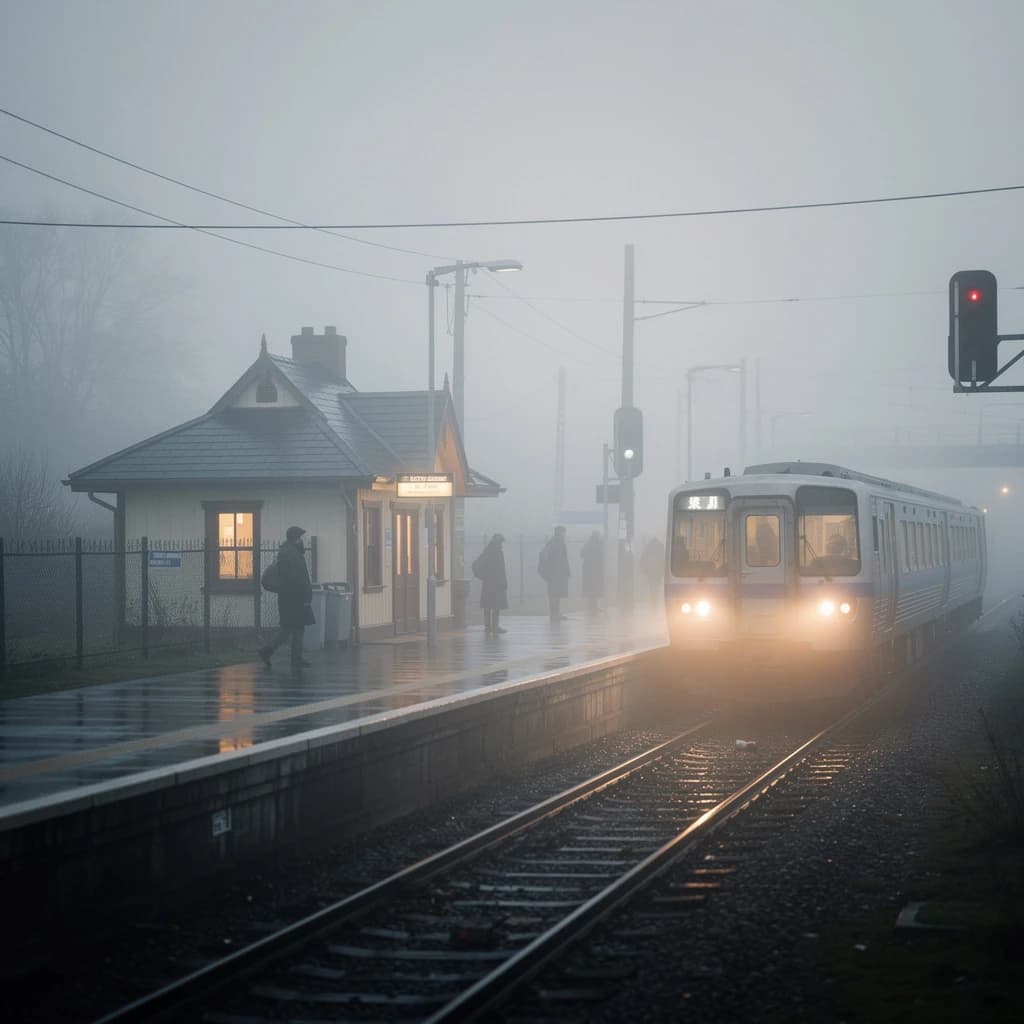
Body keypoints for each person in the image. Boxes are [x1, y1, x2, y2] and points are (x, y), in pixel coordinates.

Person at [259, 525, 314, 670]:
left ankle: (268, 651)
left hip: (287, 598)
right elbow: (300, 579)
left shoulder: (286, 553)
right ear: (296, 539)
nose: (301, 540)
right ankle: (295, 659)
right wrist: (306, 597)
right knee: (297, 629)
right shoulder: (293, 555)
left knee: (288, 629)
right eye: (300, 537)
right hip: (295, 599)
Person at [473, 533, 508, 635]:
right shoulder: (497, 552)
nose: (502, 544)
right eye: (501, 542)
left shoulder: (487, 551)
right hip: (496, 583)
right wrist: (504, 582)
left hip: (488, 583)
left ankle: (488, 626)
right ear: (498, 542)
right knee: (496, 605)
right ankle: (495, 626)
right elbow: (501, 569)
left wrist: (483, 576)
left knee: (488, 605)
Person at [538, 525, 571, 622]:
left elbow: (563, 558)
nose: (565, 535)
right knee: (554, 595)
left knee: (556, 594)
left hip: (558, 573)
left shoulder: (557, 542)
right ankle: (554, 615)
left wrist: (566, 570)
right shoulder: (554, 543)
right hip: (555, 574)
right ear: (560, 533)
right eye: (563, 533)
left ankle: (556, 614)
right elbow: (546, 556)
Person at [580, 531, 604, 615]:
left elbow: (581, 554)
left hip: (588, 570)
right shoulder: (598, 544)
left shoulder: (587, 544)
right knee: (595, 588)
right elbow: (602, 555)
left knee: (590, 589)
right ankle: (593, 607)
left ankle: (591, 606)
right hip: (595, 570)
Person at [640, 536, 666, 604]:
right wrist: (663, 571)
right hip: (658, 571)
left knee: (652, 585)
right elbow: (663, 559)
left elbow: (643, 558)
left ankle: (653, 599)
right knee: (656, 585)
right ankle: (655, 599)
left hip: (650, 571)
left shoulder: (648, 547)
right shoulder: (660, 546)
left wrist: (644, 569)